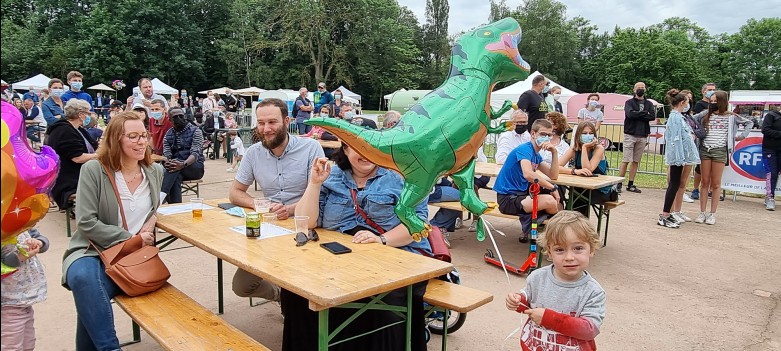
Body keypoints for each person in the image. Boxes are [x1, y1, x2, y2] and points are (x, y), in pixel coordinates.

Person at [292, 145, 432, 351]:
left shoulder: (403, 176)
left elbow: (418, 223)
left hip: (397, 256)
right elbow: (306, 222)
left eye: (372, 148)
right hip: (343, 259)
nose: (367, 154)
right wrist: (314, 184)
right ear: (346, 150)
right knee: (298, 293)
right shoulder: (332, 175)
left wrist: (381, 239)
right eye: (359, 148)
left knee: (375, 301)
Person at [62, 111, 163, 351]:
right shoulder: (95, 169)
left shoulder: (155, 171)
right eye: (133, 136)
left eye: (144, 135)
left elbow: (156, 207)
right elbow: (86, 222)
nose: (141, 142)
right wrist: (132, 238)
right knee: (82, 278)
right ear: (116, 139)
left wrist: (155, 217)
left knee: (89, 299)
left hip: (130, 258)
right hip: (91, 250)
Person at [229, 98, 324, 302]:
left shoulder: (311, 148)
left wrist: (288, 210)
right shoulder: (254, 153)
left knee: (310, 284)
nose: (266, 129)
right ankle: (281, 297)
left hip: (305, 227)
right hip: (270, 228)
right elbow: (235, 192)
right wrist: (260, 205)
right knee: (241, 286)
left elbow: (321, 193)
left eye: (272, 122)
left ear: (287, 121)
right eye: (261, 123)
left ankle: (296, 305)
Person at [505, 211, 606, 351]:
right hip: (535, 346)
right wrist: (517, 300)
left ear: (592, 250)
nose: (569, 257)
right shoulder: (537, 277)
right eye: (560, 249)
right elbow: (527, 302)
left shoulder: (593, 291)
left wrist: (549, 319)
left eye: (578, 248)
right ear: (549, 253)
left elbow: (589, 329)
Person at [494, 119, 561, 242]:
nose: (546, 138)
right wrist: (552, 187)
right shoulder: (524, 149)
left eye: (549, 135)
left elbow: (553, 175)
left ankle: (548, 226)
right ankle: (551, 229)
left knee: (554, 200)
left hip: (522, 195)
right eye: (543, 134)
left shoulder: (536, 155)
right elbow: (528, 174)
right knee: (551, 201)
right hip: (508, 198)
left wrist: (554, 152)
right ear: (533, 134)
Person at [693, 90, 753, 225]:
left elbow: (749, 123)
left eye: (715, 101)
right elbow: (693, 119)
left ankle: (712, 213)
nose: (713, 104)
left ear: (722, 102)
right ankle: (702, 212)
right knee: (704, 181)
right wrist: (697, 132)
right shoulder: (706, 114)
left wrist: (740, 137)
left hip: (720, 151)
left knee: (716, 183)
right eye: (711, 101)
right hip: (705, 150)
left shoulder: (731, 116)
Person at [45, 99, 99, 210]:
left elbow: (94, 147)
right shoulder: (64, 130)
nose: (90, 116)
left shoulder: (77, 129)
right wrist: (100, 155)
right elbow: (78, 158)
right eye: (88, 113)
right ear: (81, 114)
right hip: (69, 181)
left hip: (80, 174)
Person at [657, 89, 700, 228]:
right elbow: (675, 139)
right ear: (682, 103)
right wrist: (679, 157)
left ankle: (667, 214)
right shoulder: (675, 117)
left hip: (681, 156)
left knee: (675, 185)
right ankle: (664, 215)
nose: (688, 105)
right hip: (677, 157)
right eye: (687, 102)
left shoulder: (679, 117)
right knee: (673, 185)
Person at [1, 228, 49, 351]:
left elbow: (42, 239)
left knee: (29, 344)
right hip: (8, 304)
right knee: (11, 347)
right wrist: (20, 256)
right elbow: (4, 263)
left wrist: (39, 242)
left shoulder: (21, 222)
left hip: (24, 303)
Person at [558, 122, 613, 217]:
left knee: (578, 196)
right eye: (584, 133)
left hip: (599, 189)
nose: (588, 135)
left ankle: (575, 222)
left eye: (591, 133)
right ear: (578, 135)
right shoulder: (574, 150)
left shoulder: (599, 149)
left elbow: (588, 169)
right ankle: (570, 220)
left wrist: (584, 147)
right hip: (581, 187)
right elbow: (556, 167)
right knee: (570, 192)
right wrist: (574, 171)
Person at [617, 82, 655, 194]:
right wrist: (644, 114)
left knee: (635, 161)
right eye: (639, 88)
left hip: (643, 135)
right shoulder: (629, 102)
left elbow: (652, 116)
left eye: (642, 88)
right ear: (634, 90)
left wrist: (638, 113)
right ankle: (619, 183)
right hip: (630, 134)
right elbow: (630, 114)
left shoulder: (649, 103)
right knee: (626, 160)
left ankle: (631, 183)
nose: (641, 89)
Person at [161, 111, 205, 204]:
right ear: (170, 120)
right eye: (175, 117)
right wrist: (167, 162)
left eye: (181, 116)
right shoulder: (168, 134)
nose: (179, 119)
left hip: (194, 167)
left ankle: (161, 196)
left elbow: (195, 153)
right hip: (176, 168)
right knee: (175, 174)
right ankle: (176, 206)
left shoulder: (196, 131)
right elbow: (166, 154)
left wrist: (183, 164)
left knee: (173, 169)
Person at [690, 83, 717, 200]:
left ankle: (710, 189)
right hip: (703, 137)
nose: (712, 91)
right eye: (709, 90)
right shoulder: (700, 105)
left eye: (714, 90)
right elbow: (698, 119)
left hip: (715, 138)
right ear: (703, 91)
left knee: (712, 167)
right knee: (699, 167)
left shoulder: (718, 104)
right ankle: (696, 188)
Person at [762, 108, 781, 211]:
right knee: (772, 173)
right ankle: (770, 197)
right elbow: (764, 129)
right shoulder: (771, 115)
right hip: (770, 149)